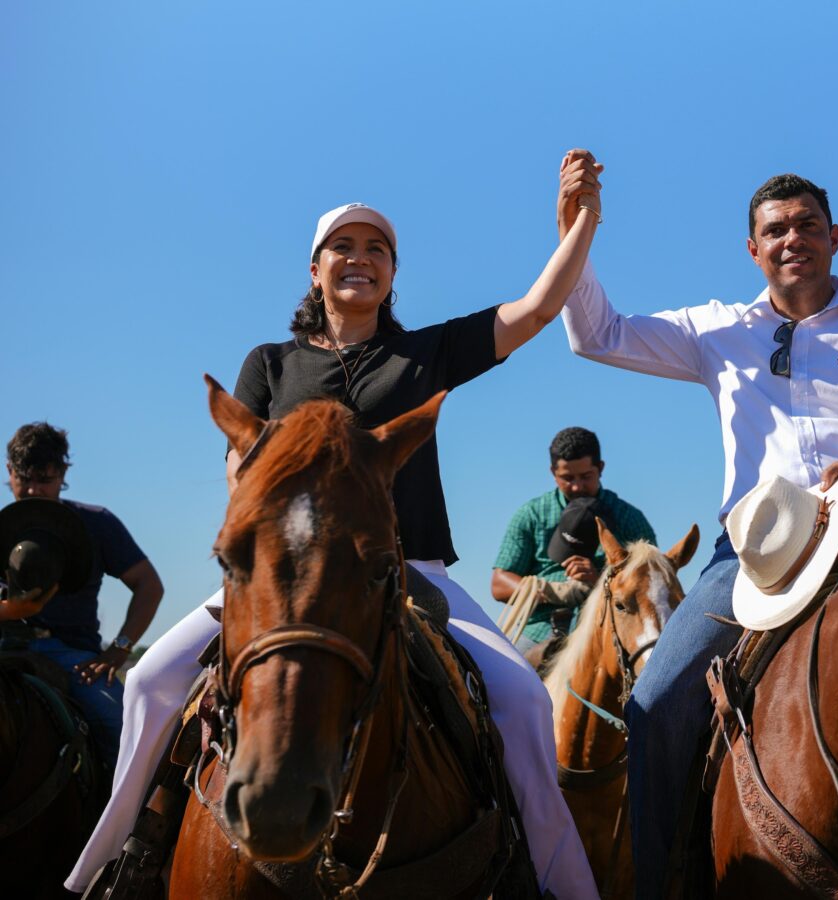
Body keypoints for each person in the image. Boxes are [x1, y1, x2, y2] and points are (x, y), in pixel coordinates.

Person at [68, 155, 606, 899]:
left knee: (523, 701)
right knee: (151, 682)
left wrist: (579, 224)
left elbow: (538, 309)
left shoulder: (426, 353)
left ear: (392, 275)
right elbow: (242, 466)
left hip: (413, 570)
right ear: (315, 271)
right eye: (343, 249)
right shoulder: (270, 362)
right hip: (283, 574)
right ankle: (110, 866)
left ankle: (562, 886)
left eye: (377, 250)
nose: (360, 259)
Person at [555, 157, 838, 898]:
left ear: (835, 238)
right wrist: (580, 233)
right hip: (750, 560)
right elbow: (596, 334)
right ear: (753, 250)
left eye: (807, 225)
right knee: (655, 704)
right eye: (775, 229)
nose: (791, 238)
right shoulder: (717, 332)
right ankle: (663, 886)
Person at [2, 422, 164, 769]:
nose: (33, 490)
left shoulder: (95, 523)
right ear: (9, 471)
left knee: (123, 725)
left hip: (75, 657)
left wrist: (118, 650)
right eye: (24, 478)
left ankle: (130, 822)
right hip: (4, 645)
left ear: (62, 474)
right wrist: (8, 614)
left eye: (43, 479)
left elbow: (149, 585)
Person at [492, 426, 656, 652]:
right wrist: (550, 590)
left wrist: (599, 580)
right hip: (539, 630)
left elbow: (651, 584)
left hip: (610, 628)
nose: (578, 486)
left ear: (600, 468)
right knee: (505, 680)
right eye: (567, 478)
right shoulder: (531, 515)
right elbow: (499, 583)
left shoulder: (629, 519)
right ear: (553, 473)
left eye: (586, 476)